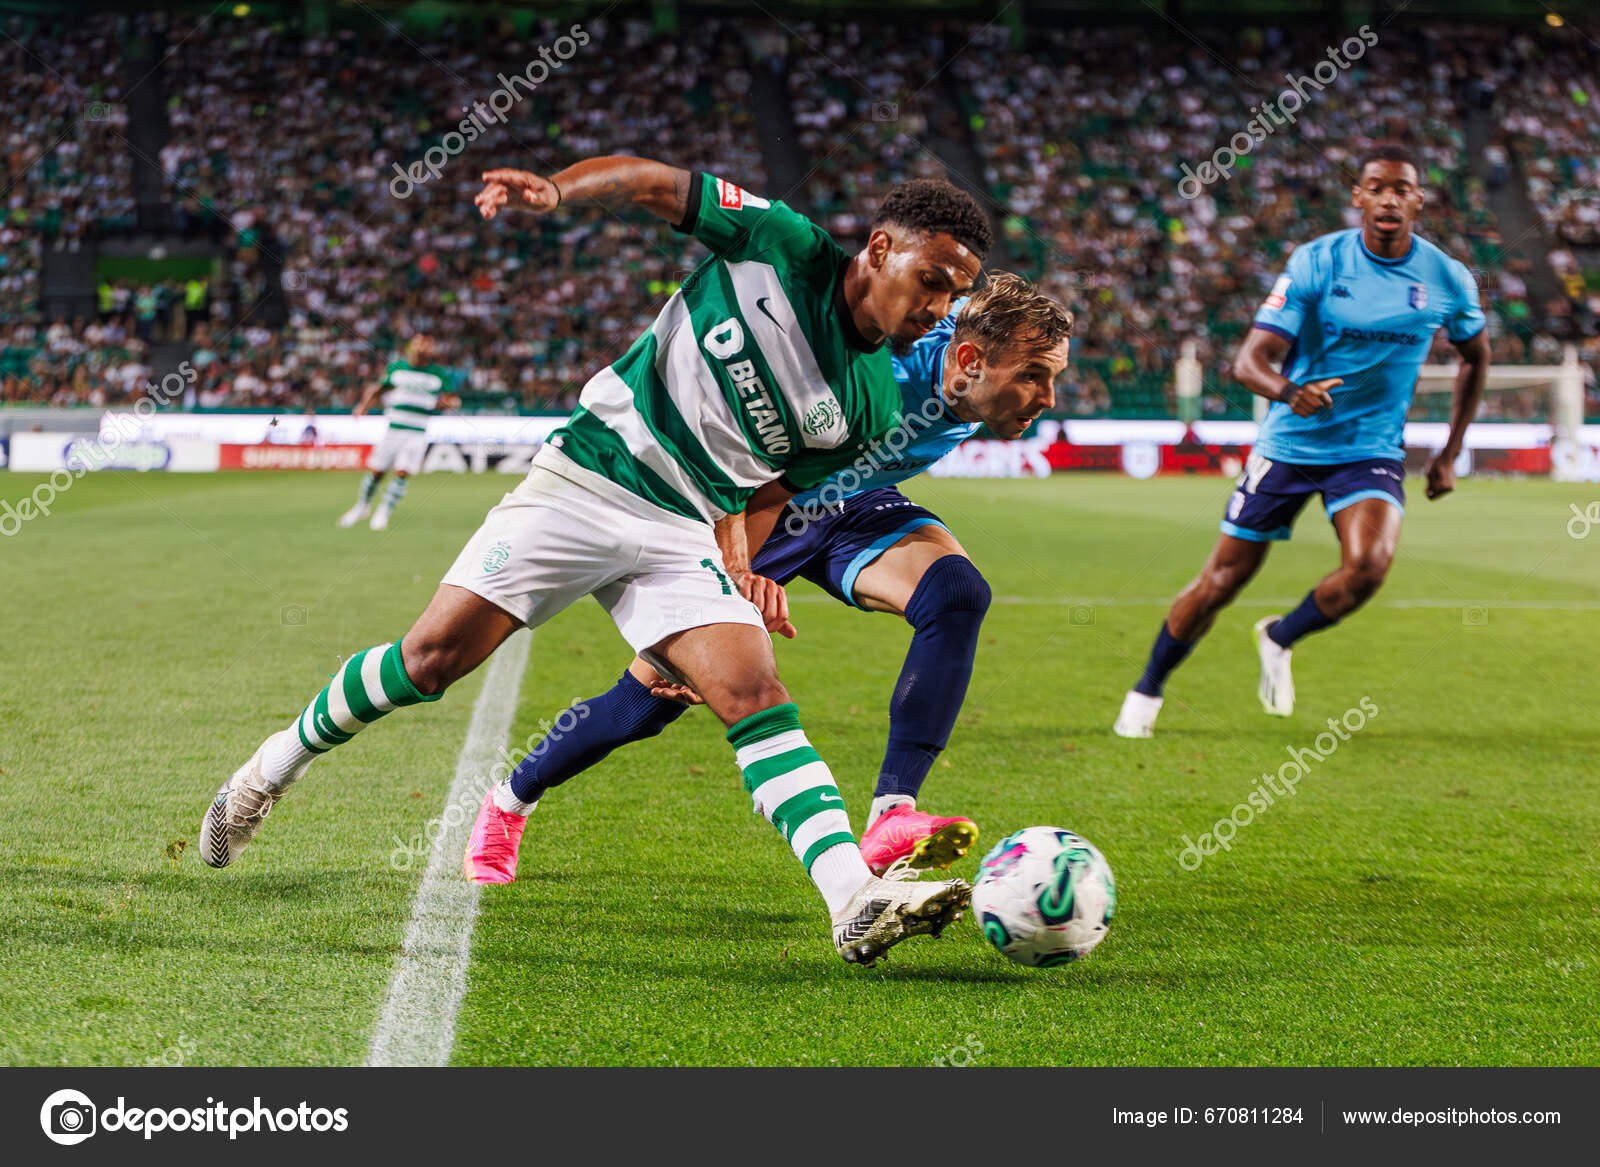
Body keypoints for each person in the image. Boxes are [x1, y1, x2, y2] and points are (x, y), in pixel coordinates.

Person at [201, 155, 993, 967]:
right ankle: (268, 771)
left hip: (681, 529)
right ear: (879, 246)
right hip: (584, 481)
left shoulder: (875, 403)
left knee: (752, 690)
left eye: (953, 296)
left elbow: (767, 489)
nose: (938, 310)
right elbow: (656, 181)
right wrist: (556, 190)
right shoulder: (780, 244)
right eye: (931, 280)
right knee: (428, 662)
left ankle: (851, 899)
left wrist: (743, 566)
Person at [465, 272, 1073, 884]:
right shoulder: (879, 367)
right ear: (970, 360)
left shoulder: (969, 333)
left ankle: (893, 815)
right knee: (651, 697)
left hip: (849, 499)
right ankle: (509, 799)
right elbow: (739, 458)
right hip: (750, 502)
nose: (1048, 397)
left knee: (957, 593)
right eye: (1033, 376)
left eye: (1052, 376)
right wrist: (732, 578)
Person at [1114, 145, 1490, 738]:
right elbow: (1248, 362)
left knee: (1369, 567)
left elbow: (1476, 357)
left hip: (1370, 450)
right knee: (1221, 582)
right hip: (1289, 446)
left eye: (1401, 188)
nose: (1389, 198)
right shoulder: (1318, 261)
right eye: (1377, 187)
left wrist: (1449, 452)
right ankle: (1148, 688)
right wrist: (1291, 392)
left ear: (1418, 200)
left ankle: (1280, 636)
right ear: (1358, 197)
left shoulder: (1447, 277)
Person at [336, 335, 460, 531]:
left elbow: (453, 399)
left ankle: (384, 510)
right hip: (394, 429)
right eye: (420, 342)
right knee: (377, 471)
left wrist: (448, 403)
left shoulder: (438, 374)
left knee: (402, 472)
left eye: (428, 343)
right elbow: (379, 389)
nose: (423, 347)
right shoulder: (398, 368)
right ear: (411, 346)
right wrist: (362, 407)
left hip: (417, 431)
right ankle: (362, 506)